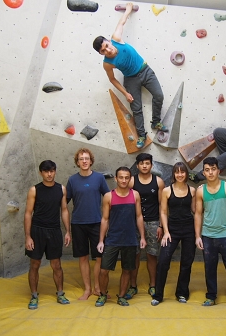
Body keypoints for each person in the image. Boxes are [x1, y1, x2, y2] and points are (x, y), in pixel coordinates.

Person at [92, 2, 168, 149]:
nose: (107, 50)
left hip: (145, 71)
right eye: (103, 50)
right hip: (131, 80)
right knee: (136, 108)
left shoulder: (117, 38)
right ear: (101, 53)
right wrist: (125, 93)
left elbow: (122, 21)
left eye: (106, 46)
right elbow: (112, 79)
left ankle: (156, 121)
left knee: (159, 95)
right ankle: (142, 135)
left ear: (108, 41)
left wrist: (128, 8)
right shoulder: (107, 63)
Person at [194, 157, 226, 308]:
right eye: (207, 170)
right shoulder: (200, 191)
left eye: (213, 169)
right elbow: (198, 214)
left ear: (218, 170)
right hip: (208, 235)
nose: (210, 173)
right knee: (209, 267)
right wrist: (197, 236)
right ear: (203, 172)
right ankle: (211, 296)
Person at [95, 167, 146, 307]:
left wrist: (142, 237)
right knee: (104, 270)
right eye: (121, 177)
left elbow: (139, 216)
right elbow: (105, 219)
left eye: (126, 177)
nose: (124, 180)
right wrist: (101, 240)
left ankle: (122, 296)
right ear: (116, 179)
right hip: (112, 239)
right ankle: (102, 295)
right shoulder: (108, 196)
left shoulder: (135, 195)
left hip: (130, 239)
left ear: (130, 179)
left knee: (127, 269)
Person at [24, 160, 71, 309]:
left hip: (54, 230)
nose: (49, 174)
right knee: (35, 264)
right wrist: (28, 236)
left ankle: (60, 293)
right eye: (46, 171)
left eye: (51, 171)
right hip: (37, 230)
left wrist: (68, 231)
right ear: (41, 173)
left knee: (56, 265)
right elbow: (27, 213)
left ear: (55, 171)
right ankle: (34, 296)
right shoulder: (34, 190)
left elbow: (64, 210)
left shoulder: (61, 189)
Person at [66, 148, 110, 300]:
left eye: (86, 158)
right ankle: (87, 289)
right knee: (83, 257)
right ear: (77, 162)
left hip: (97, 223)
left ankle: (97, 287)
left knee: (99, 257)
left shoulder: (99, 178)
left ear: (91, 161)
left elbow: (109, 197)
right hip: (78, 224)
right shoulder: (72, 180)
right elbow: (64, 203)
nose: (84, 161)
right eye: (81, 159)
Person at [151, 162, 196, 306]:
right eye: (177, 172)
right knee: (163, 261)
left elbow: (195, 211)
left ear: (186, 174)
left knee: (186, 262)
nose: (180, 175)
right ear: (174, 174)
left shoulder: (193, 190)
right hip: (172, 230)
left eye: (182, 172)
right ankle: (158, 295)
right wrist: (166, 232)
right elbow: (163, 212)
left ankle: (182, 292)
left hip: (189, 229)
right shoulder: (166, 190)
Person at [125, 153, 164, 300]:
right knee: (134, 255)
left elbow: (162, 205)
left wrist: (161, 225)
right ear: (137, 165)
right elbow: (127, 204)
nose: (145, 166)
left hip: (153, 223)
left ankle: (153, 285)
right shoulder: (131, 181)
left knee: (152, 255)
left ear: (151, 165)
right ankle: (133, 286)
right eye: (142, 163)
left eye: (147, 163)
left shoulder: (158, 182)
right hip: (134, 223)